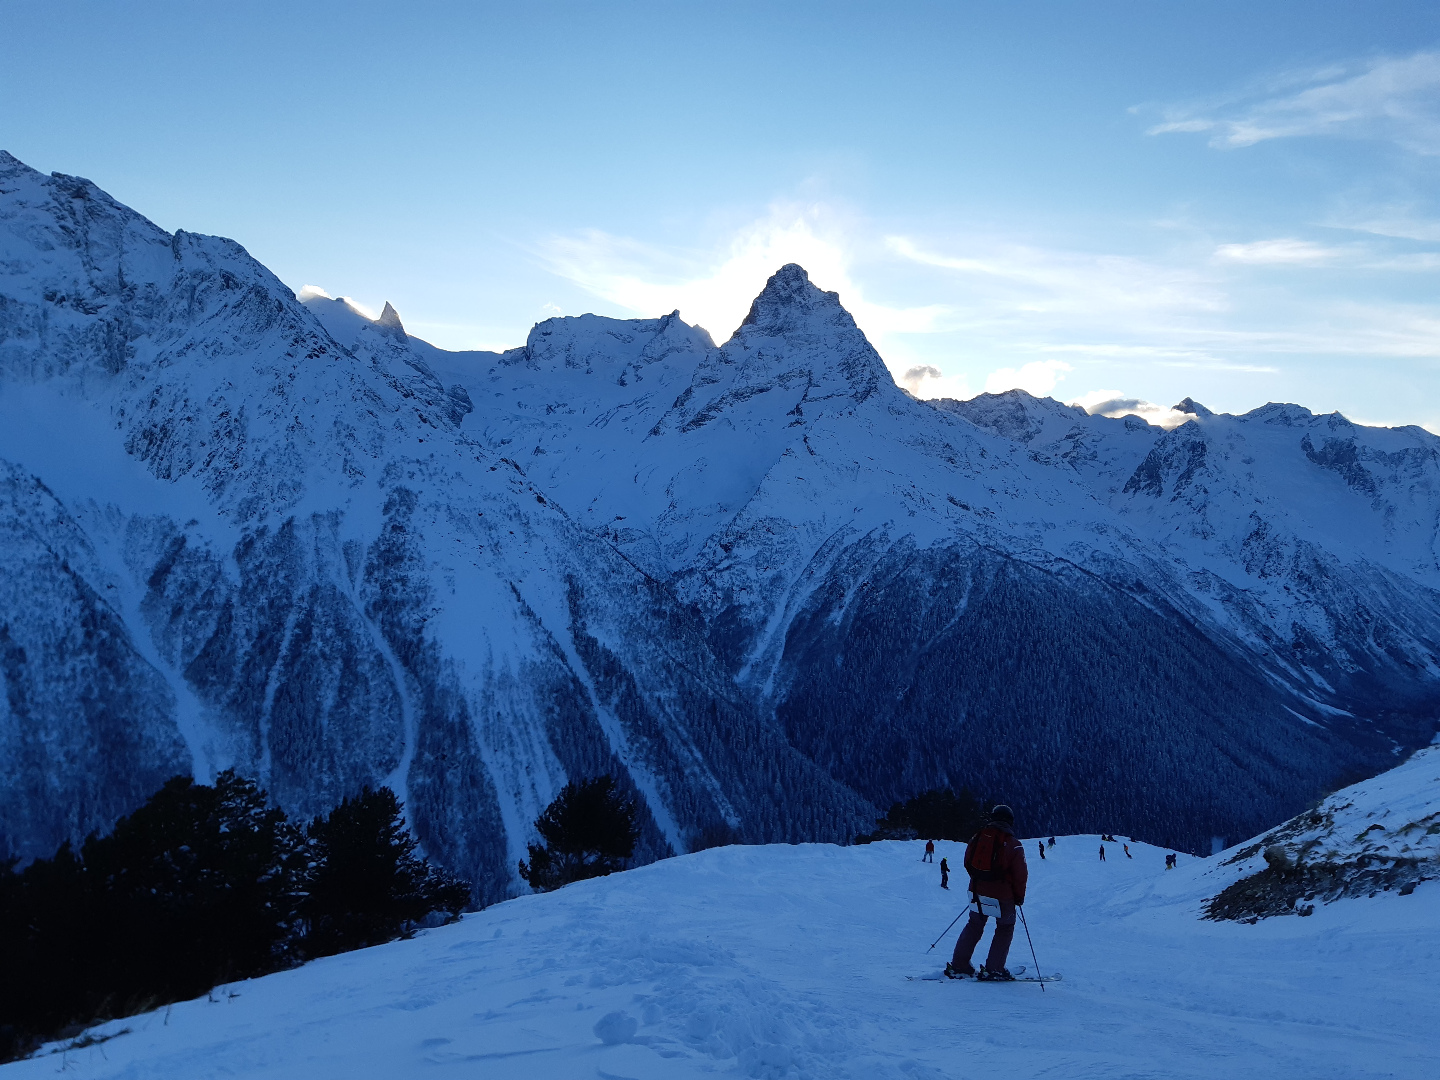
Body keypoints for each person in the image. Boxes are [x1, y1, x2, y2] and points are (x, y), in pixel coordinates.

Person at [946, 805, 1028, 981]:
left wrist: (981, 881)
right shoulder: (1014, 845)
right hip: (1003, 895)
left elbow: (967, 862)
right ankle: (994, 969)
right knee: (1005, 928)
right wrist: (1019, 897)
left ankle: (959, 965)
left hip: (976, 890)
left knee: (974, 925)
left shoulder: (977, 838)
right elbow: (1020, 875)